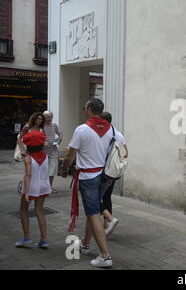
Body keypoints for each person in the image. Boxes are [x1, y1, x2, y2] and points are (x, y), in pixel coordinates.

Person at [61, 99, 113, 268]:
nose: (84, 110)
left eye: (85, 108)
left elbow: (70, 155)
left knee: (93, 213)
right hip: (104, 176)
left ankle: (105, 256)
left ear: (90, 110)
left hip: (88, 177)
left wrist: (64, 168)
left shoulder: (82, 129)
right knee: (94, 211)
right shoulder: (111, 129)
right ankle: (85, 244)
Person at [15, 119, 52, 249]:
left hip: (31, 187)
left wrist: (25, 193)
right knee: (39, 211)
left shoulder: (28, 158)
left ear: (28, 144)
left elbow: (28, 175)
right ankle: (44, 239)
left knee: (23, 210)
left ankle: (26, 237)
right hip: (43, 186)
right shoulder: (46, 156)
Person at [99, 112, 128, 235]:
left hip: (103, 171)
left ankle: (109, 221)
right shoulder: (118, 134)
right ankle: (107, 224)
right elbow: (126, 153)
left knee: (95, 197)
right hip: (113, 172)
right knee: (106, 197)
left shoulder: (103, 134)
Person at [43, 111, 63, 194]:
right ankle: (43, 186)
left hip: (53, 149)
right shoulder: (40, 127)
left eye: (50, 117)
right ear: (43, 117)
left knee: (52, 169)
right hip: (43, 151)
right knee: (43, 170)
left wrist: (60, 138)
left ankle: (49, 187)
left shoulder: (54, 125)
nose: (49, 119)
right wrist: (43, 141)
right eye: (47, 117)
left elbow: (59, 133)